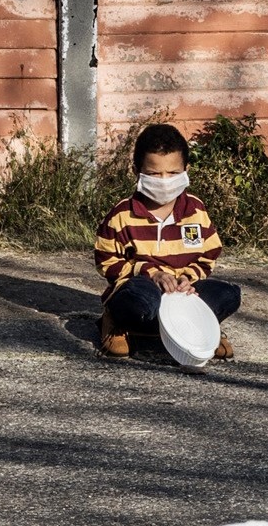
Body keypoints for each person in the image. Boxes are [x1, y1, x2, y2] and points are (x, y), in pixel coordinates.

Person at [91, 122, 236, 362]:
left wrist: (187, 278)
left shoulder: (196, 211)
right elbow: (106, 262)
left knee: (229, 295)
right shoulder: (122, 215)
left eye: (173, 173)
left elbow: (208, 254)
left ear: (186, 170)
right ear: (136, 170)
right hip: (143, 291)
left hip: (181, 297)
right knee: (141, 302)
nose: (164, 180)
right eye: (154, 174)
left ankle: (197, 331)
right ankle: (117, 324)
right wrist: (150, 274)